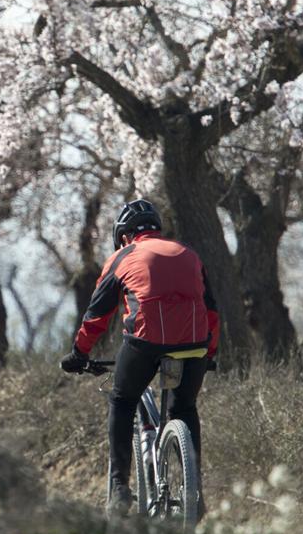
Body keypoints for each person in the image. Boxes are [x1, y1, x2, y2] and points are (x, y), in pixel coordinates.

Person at [60, 199, 219, 515]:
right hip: (195, 344)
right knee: (184, 406)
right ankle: (195, 497)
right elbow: (212, 310)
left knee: (122, 400)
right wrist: (209, 352)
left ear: (124, 235)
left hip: (145, 343)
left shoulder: (122, 257)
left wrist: (79, 353)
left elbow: (97, 315)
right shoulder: (189, 254)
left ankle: (119, 487)